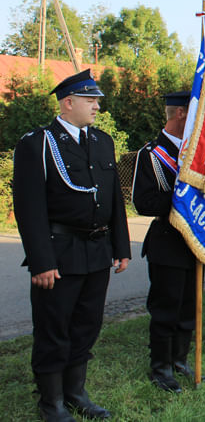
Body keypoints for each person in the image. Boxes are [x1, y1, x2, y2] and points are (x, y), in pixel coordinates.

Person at [14, 69, 130, 420]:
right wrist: (41, 261)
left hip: (97, 251)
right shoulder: (38, 143)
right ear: (68, 103)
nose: (97, 106)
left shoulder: (102, 142)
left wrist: (121, 247)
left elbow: (114, 201)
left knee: (86, 325)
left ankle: (75, 392)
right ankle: (51, 403)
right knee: (54, 328)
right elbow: (29, 207)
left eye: (97, 100)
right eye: (90, 100)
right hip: (59, 252)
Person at [132, 91, 196, 393]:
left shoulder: (197, 152)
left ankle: (180, 359)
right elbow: (142, 202)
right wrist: (182, 199)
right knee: (166, 308)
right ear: (181, 114)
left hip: (195, 240)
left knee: (188, 306)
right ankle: (161, 367)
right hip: (167, 242)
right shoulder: (151, 153)